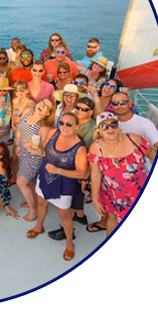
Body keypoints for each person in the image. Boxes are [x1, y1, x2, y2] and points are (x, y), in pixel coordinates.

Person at [86, 93, 158, 233]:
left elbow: (151, 153)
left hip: (138, 190)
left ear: (118, 125)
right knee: (112, 219)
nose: (110, 129)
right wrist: (95, 199)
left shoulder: (134, 139)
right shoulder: (96, 148)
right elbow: (95, 176)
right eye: (104, 126)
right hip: (111, 194)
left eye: (113, 124)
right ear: (99, 130)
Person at [26, 113, 89, 262]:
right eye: (62, 123)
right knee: (41, 203)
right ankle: (39, 227)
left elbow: (82, 173)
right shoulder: (54, 133)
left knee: (65, 215)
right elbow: (43, 152)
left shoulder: (80, 149)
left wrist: (58, 170)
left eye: (69, 124)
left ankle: (69, 243)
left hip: (64, 184)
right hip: (45, 176)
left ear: (76, 127)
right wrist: (33, 148)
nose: (64, 126)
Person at [47, 97, 96, 241]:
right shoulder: (76, 123)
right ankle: (80, 217)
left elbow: (91, 155)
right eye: (78, 108)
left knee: (68, 203)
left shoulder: (92, 130)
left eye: (84, 109)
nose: (79, 111)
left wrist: (85, 178)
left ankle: (67, 231)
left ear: (91, 112)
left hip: (78, 171)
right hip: (72, 167)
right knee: (77, 197)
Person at [16, 98, 55, 221]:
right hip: (23, 150)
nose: (42, 106)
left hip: (34, 157)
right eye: (42, 103)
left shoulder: (44, 127)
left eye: (46, 107)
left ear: (48, 113)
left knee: (21, 182)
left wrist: (31, 148)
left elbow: (42, 152)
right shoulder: (27, 111)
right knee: (30, 181)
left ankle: (33, 210)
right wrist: (18, 144)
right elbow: (19, 130)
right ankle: (32, 200)